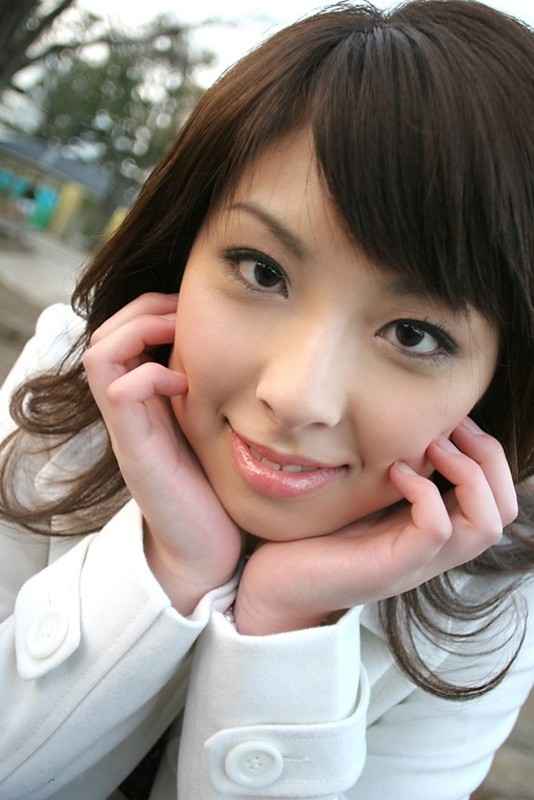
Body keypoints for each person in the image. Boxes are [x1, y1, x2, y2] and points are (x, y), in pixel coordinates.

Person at [1, 1, 534, 797]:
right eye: (262, 271)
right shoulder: (70, 389)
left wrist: (286, 623)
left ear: (500, 383)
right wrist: (170, 565)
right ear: (182, 250)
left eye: (414, 333)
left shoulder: (490, 603)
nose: (295, 396)